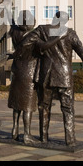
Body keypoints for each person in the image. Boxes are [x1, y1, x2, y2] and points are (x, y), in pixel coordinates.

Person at [32, 11, 83, 146]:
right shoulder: (69, 33)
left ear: (54, 18)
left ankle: (43, 137)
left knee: (44, 107)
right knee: (68, 108)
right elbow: (82, 52)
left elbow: (30, 45)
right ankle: (70, 140)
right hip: (64, 75)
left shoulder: (42, 30)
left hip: (47, 74)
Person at [8, 10, 65, 144]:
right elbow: (44, 46)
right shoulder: (33, 35)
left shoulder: (14, 32)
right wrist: (59, 37)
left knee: (17, 103)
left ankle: (15, 129)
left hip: (17, 70)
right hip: (29, 71)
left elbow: (11, 23)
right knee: (27, 104)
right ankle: (27, 134)